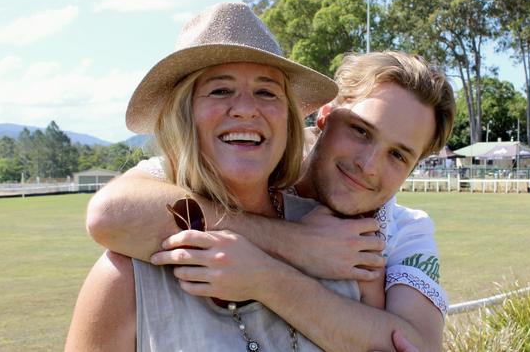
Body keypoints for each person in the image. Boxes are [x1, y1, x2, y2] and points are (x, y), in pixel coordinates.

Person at [80, 50, 456, 351]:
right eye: (360, 131)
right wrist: (301, 245)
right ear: (323, 118)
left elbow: (415, 345)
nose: (368, 165)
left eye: (398, 156)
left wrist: (265, 278)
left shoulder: (391, 237)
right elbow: (111, 212)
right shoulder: (251, 155)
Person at [65, 1, 387, 351]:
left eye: (266, 92)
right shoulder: (126, 276)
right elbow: (107, 213)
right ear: (183, 116)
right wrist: (296, 245)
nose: (246, 109)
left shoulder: (342, 241)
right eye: (220, 90)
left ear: (289, 120)